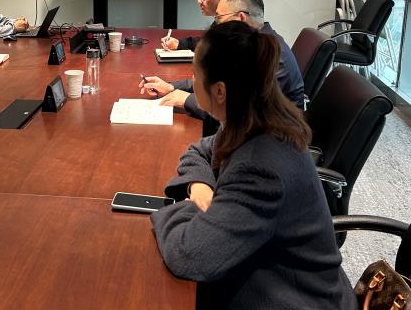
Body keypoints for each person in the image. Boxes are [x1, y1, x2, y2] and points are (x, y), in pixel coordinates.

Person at [150, 21, 355, 309]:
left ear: (219, 91)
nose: (192, 82)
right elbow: (199, 150)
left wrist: (177, 209)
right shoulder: (255, 118)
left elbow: (189, 255)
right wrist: (199, 186)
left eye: (195, 75)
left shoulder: (260, 168)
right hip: (272, 272)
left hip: (294, 298)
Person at [141, 0, 305, 118]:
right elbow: (218, 81)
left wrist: (186, 99)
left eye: (219, 19)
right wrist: (172, 87)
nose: (216, 26)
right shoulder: (248, 44)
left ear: (241, 18)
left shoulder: (271, 56)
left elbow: (240, 111)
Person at [161, 0, 233, 51]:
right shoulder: (220, 19)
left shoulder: (234, 26)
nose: (199, 1)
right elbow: (209, 42)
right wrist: (179, 43)